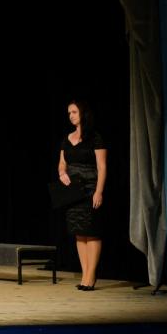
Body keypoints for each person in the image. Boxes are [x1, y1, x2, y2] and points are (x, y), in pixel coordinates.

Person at [57, 99, 106, 291]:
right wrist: (62, 173)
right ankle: (84, 275)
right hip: (73, 192)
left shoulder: (95, 138)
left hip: (90, 188)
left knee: (91, 232)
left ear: (83, 113)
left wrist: (99, 191)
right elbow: (62, 163)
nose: (71, 116)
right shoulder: (67, 138)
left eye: (74, 112)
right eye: (69, 113)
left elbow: (102, 167)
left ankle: (91, 276)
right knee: (79, 232)